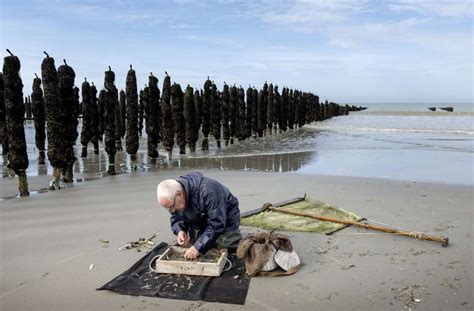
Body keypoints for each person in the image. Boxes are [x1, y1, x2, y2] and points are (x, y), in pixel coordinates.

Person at [157, 172, 241, 260]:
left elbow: (217, 223)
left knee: (225, 244)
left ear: (179, 195)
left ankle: (231, 235)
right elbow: (176, 217)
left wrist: (197, 248)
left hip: (225, 216)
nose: (172, 210)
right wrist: (180, 230)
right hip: (200, 216)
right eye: (168, 208)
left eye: (172, 206)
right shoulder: (175, 199)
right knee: (196, 241)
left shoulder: (209, 191)